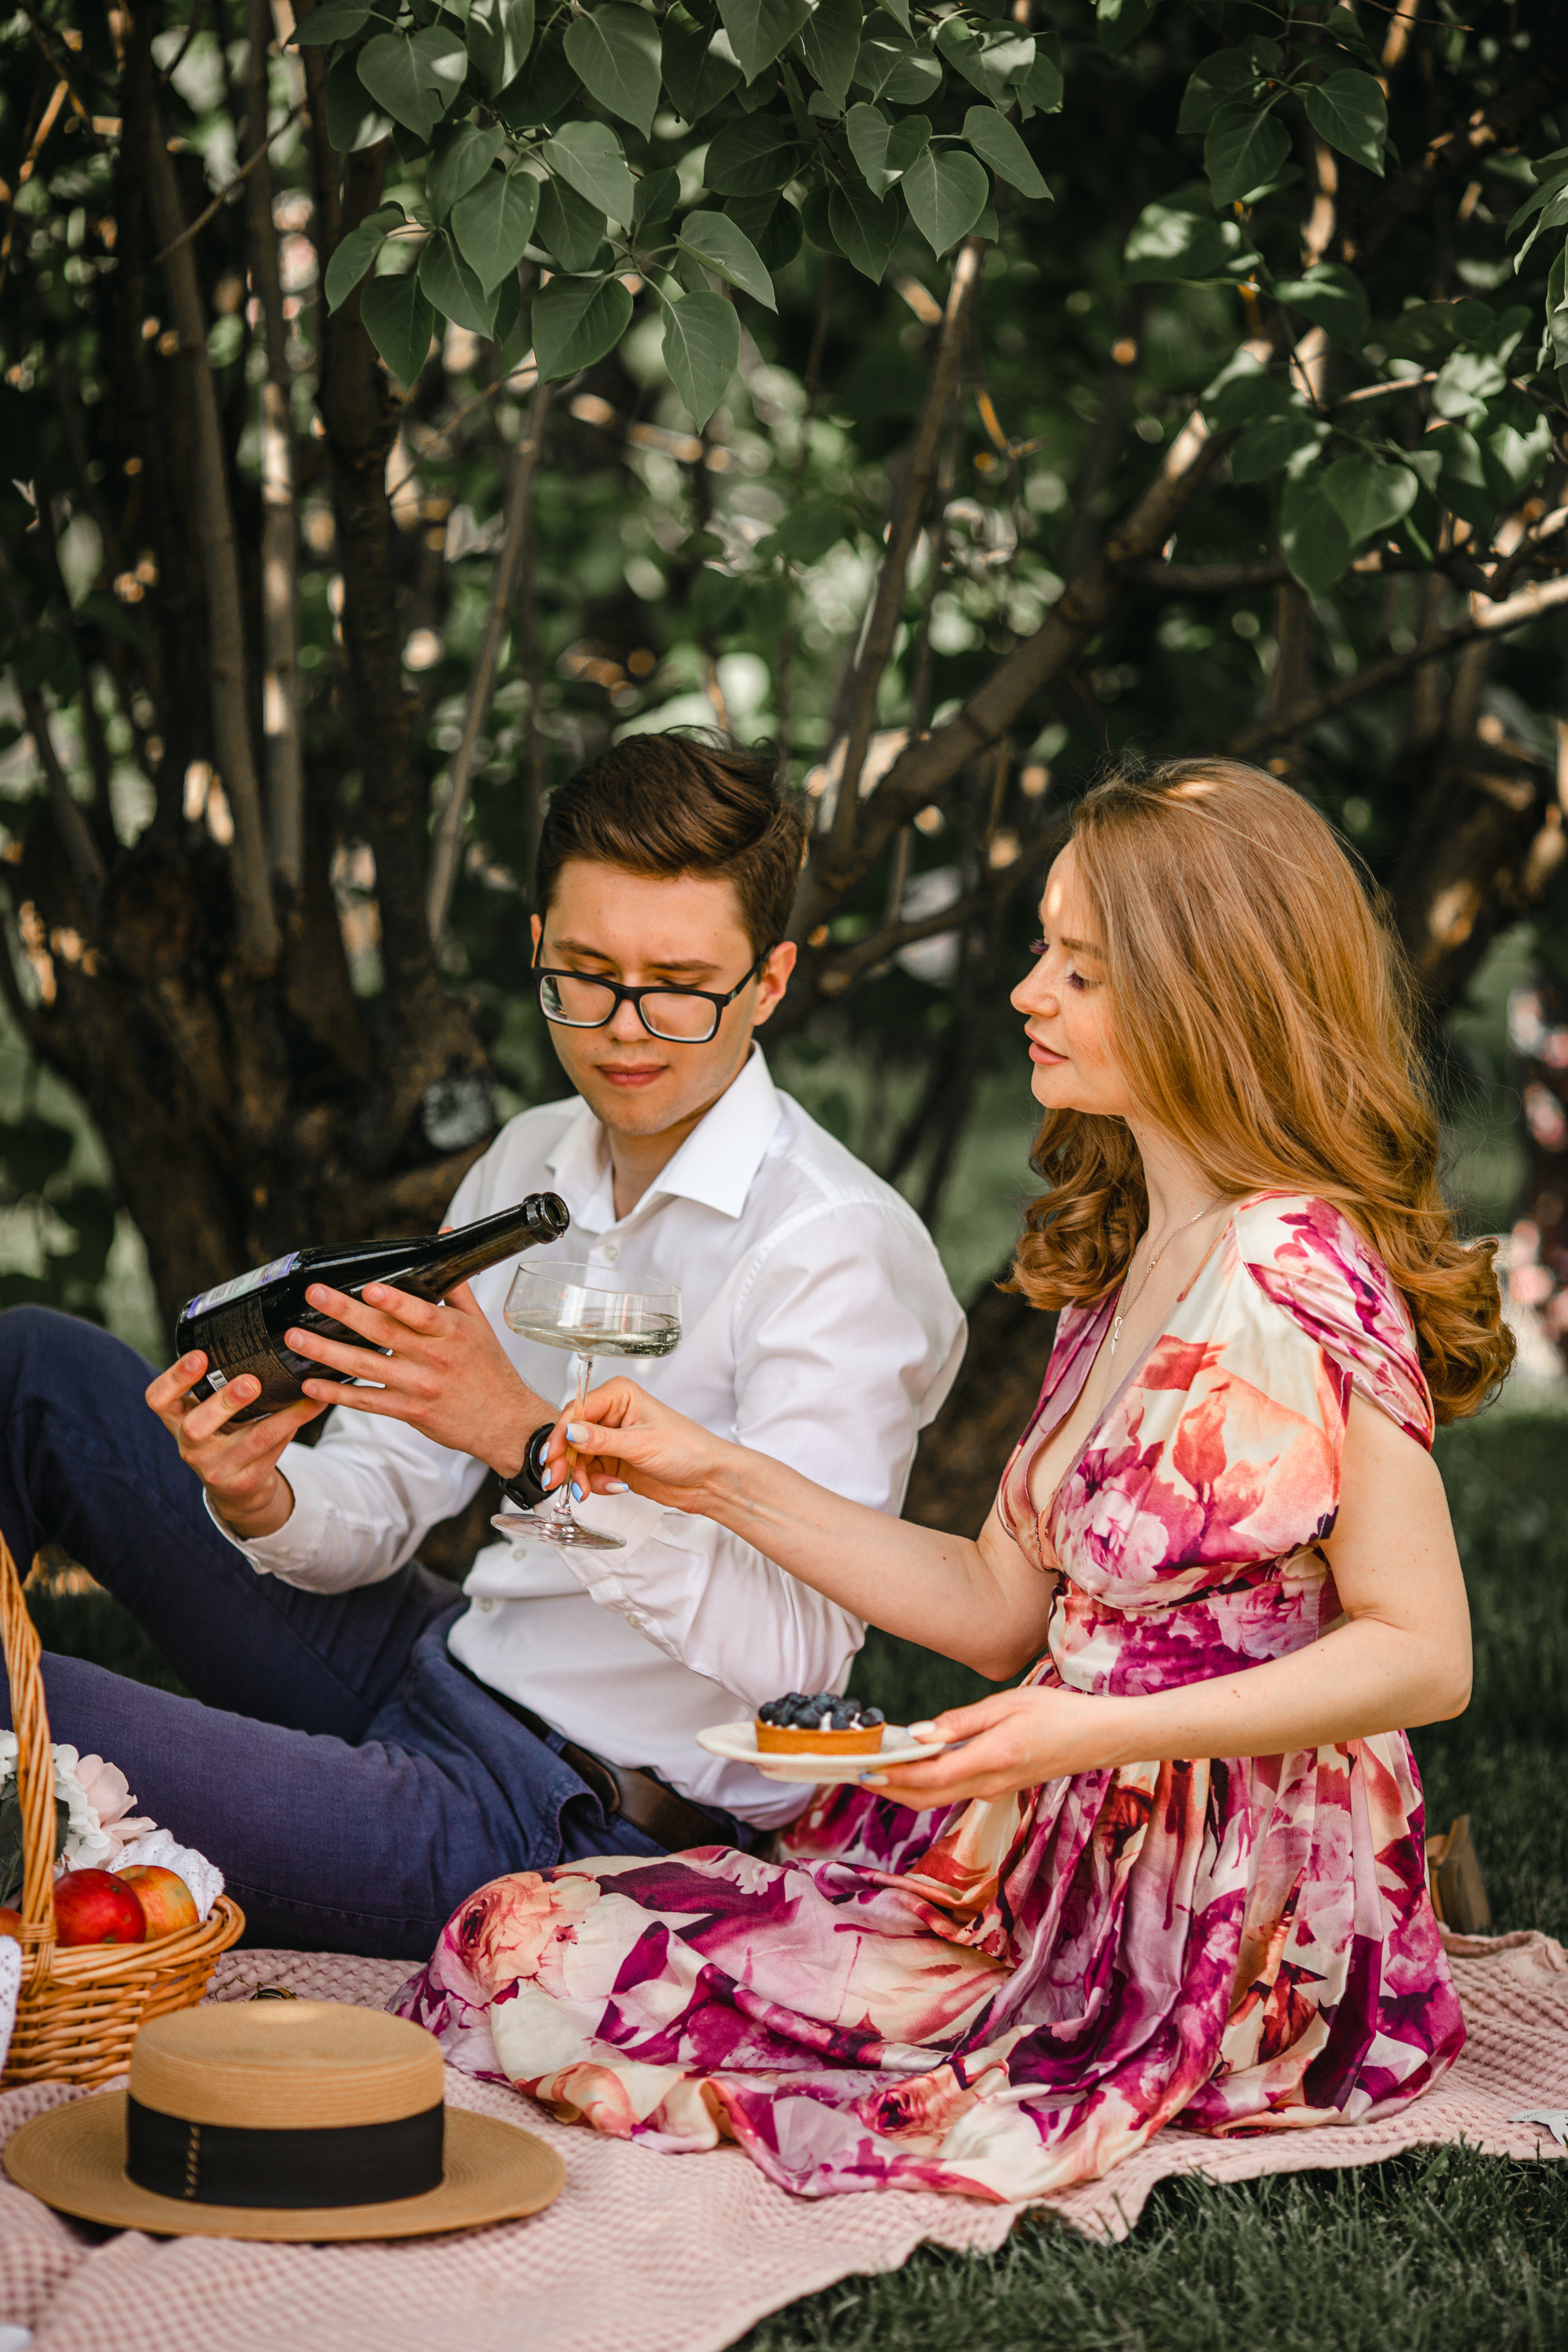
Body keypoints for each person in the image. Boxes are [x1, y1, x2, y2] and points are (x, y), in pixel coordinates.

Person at [396, 758, 1510, 2205]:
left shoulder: (1292, 1267)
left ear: (1205, 995)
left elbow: (1424, 1657)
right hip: (1061, 1837)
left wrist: (1082, 1737)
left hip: (1234, 1903)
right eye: (1045, 953)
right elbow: (996, 1607)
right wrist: (708, 1473)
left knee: (566, 1968)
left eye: (1080, 969)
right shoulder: (1128, 1268)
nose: (1027, 993)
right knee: (521, 1939)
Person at [0, 738, 964, 1957]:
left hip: (569, 1815)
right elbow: (388, 1493)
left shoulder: (832, 1250)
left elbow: (792, 1659)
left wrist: (523, 1441)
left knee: (33, 1709)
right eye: (584, 973)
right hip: (440, 1657)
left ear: (768, 982)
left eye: (679, 983)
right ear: (535, 947)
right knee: (39, 1371)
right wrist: (262, 1494)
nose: (624, 1030)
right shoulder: (531, 1157)